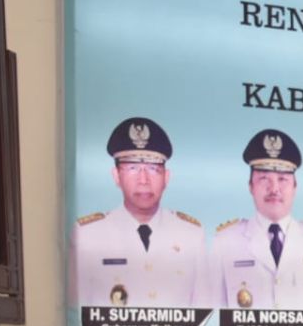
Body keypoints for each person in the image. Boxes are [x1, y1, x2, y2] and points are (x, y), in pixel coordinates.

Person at [70, 117, 205, 307]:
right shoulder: (88, 235)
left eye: (153, 168)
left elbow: (202, 312)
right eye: (133, 168)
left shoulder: (190, 234)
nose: (143, 179)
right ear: (116, 176)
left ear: (166, 177)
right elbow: (76, 314)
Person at [207, 129, 303, 310]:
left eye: (282, 179)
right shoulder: (225, 242)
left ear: (295, 187)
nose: (274, 189)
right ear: (250, 186)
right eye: (264, 179)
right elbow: (214, 319)